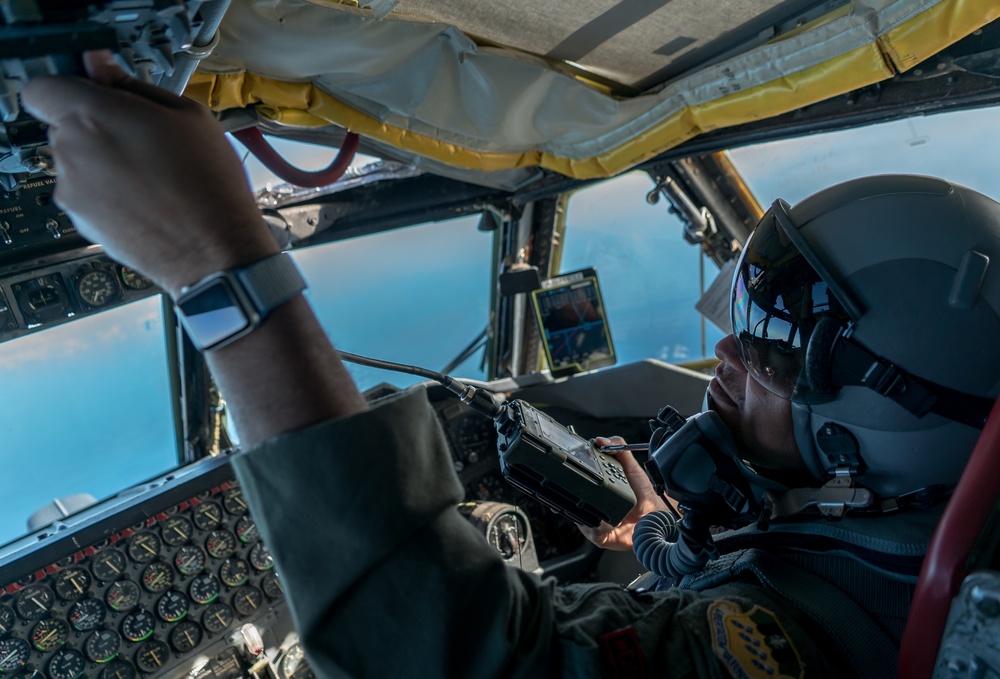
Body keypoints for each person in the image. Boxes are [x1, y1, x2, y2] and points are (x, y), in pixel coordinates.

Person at [21, 53, 1000, 678]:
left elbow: (461, 662)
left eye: (776, 350)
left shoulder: (814, 646)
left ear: (879, 431)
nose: (731, 353)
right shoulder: (886, 540)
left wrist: (217, 270)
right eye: (745, 312)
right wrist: (644, 534)